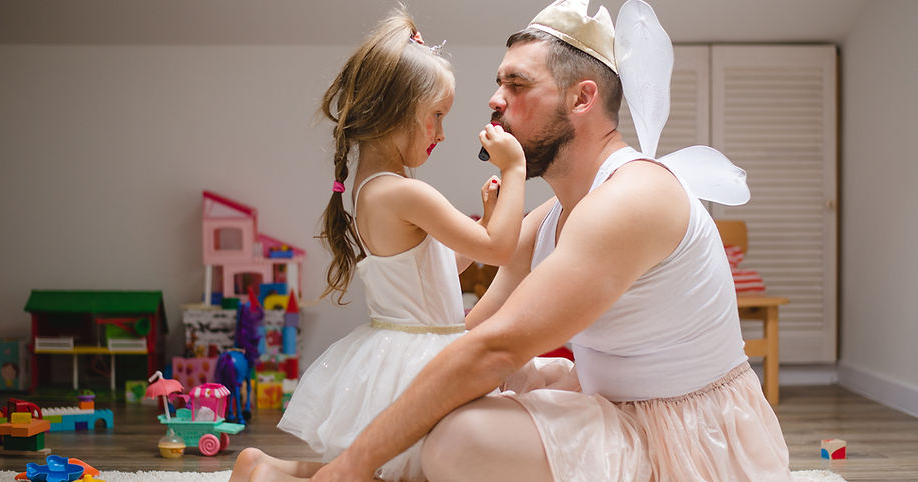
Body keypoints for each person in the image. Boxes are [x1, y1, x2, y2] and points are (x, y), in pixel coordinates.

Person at [305, 0, 798, 481]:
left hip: (689, 442)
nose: (496, 100)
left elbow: (495, 349)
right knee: (455, 397)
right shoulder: (556, 216)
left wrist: (352, 465)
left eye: (516, 84)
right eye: (500, 83)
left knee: (462, 439)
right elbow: (470, 336)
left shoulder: (633, 197)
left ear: (582, 99)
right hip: (620, 410)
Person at [229, 9, 526, 482]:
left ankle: (267, 469)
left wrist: (488, 218)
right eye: (437, 117)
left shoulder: (373, 188)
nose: (443, 134)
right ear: (398, 113)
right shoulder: (405, 192)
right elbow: (500, 250)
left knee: (382, 470)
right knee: (404, 473)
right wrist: (514, 170)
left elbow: (441, 267)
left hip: (398, 349)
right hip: (420, 360)